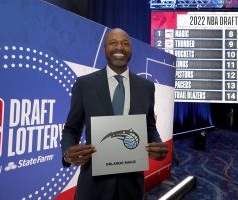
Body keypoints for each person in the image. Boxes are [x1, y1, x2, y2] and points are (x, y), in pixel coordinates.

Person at [61, 28, 169, 200]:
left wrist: (157, 143)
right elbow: (70, 130)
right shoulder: (84, 85)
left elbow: (149, 127)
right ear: (105, 48)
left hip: (131, 187)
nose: (120, 47)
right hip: (93, 187)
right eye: (113, 43)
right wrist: (67, 153)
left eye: (125, 43)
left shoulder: (146, 87)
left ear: (131, 50)